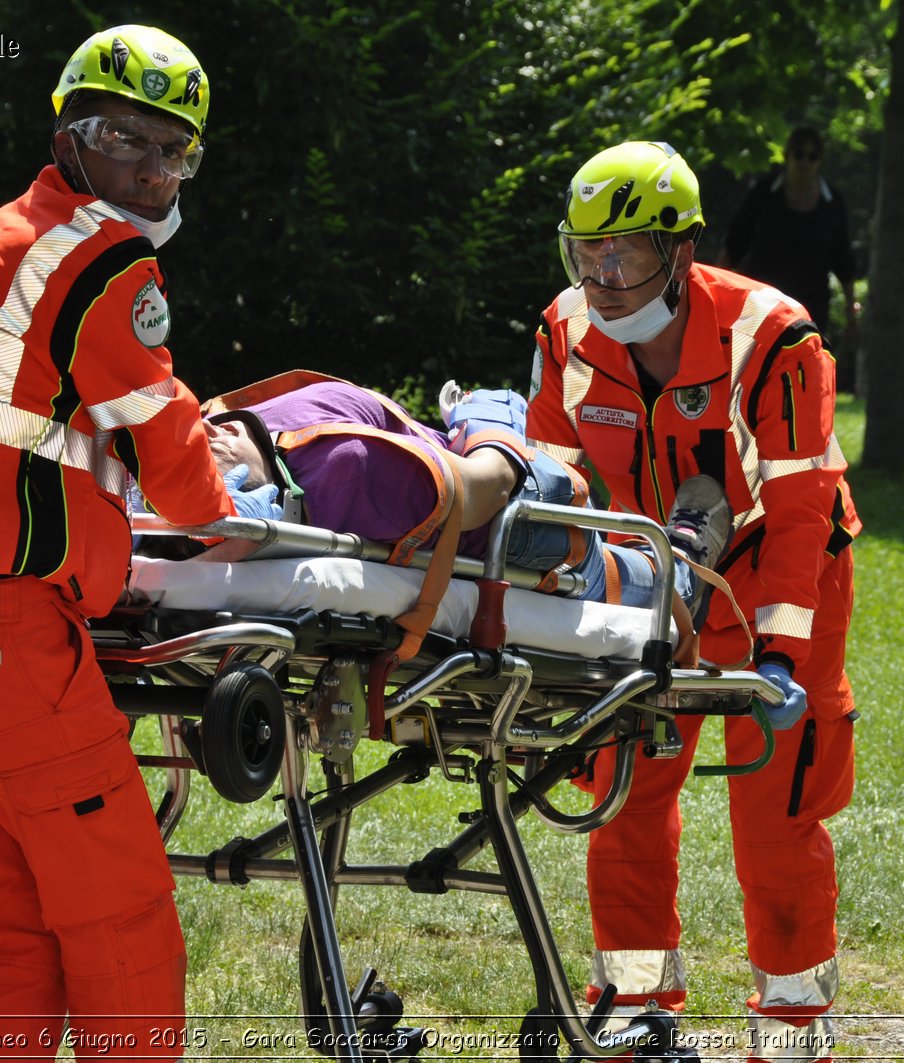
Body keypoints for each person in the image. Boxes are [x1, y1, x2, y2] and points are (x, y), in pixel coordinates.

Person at [0, 25, 277, 1062]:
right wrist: (233, 503)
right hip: (0, 641)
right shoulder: (97, 251)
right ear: (70, 133)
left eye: (175, 150)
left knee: (18, 937)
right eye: (128, 138)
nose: (153, 169)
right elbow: (162, 426)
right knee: (121, 922)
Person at [525, 141, 862, 1061]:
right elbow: (550, 482)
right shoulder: (563, 333)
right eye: (584, 253)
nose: (602, 276)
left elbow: (797, 505)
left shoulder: (773, 334)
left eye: (625, 253)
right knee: (622, 791)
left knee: (777, 806)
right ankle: (634, 1005)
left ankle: (792, 1026)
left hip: (775, 575)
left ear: (680, 252)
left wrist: (781, 653)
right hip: (648, 578)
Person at [192, 376, 721, 616]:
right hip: (479, 490)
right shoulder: (251, 418)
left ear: (219, 434)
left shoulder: (347, 471)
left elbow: (485, 486)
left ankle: (684, 567)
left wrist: (486, 424)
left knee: (637, 581)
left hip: (521, 519)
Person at [722, 126, 859, 349]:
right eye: (799, 154)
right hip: (761, 302)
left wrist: (851, 312)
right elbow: (733, 246)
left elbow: (843, 260)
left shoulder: (832, 202)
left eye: (812, 156)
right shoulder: (764, 193)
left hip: (810, 306)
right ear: (787, 156)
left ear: (820, 161)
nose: (805, 161)